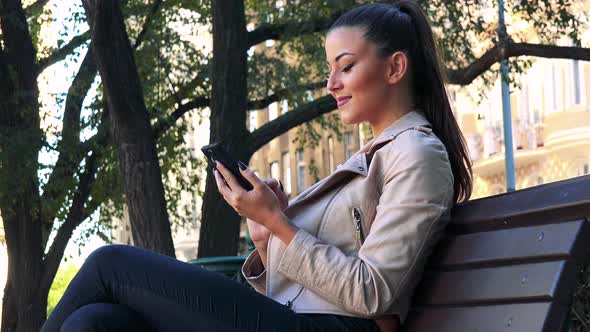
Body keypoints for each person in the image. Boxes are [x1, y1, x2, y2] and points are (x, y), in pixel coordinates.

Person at [42, 1, 472, 331]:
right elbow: (316, 278)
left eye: (346, 67)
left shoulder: (417, 155)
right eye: (329, 70)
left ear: (395, 67)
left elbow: (372, 291)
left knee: (109, 264)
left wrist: (279, 223)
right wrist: (268, 237)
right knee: (93, 322)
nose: (331, 84)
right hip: (296, 318)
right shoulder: (376, 153)